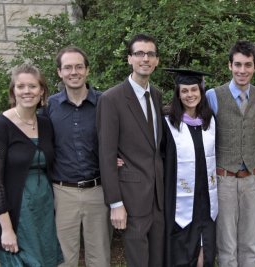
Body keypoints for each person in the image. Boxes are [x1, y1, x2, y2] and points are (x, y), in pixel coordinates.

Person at [0, 64, 63, 266]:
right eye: (20, 86)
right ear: (13, 91)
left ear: (42, 90)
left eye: (32, 86)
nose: (27, 91)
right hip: (15, 212)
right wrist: (7, 229)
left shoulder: (45, 124)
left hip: (43, 208)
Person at [97, 33, 164, 267]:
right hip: (131, 198)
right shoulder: (111, 99)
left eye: (150, 54)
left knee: (158, 260)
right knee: (138, 261)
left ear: (156, 60)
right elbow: (106, 155)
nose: (145, 58)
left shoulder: (156, 95)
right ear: (129, 59)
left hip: (158, 198)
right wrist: (115, 203)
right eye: (139, 53)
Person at [46, 46, 111, 266]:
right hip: (63, 192)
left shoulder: (105, 103)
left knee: (100, 257)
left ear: (87, 70)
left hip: (98, 191)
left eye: (79, 66)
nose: (74, 72)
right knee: (64, 258)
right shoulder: (48, 106)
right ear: (59, 72)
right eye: (68, 67)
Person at [206, 40, 255, 267]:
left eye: (248, 65)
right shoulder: (212, 95)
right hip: (224, 178)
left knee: (250, 243)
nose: (242, 70)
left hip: (252, 178)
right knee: (226, 245)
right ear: (229, 65)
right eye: (237, 64)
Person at [162, 68, 217, 267]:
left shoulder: (210, 121)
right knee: (182, 249)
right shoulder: (168, 124)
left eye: (194, 89)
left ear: (201, 92)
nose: (190, 95)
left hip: (207, 197)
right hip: (180, 200)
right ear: (178, 94)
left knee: (205, 248)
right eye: (184, 91)